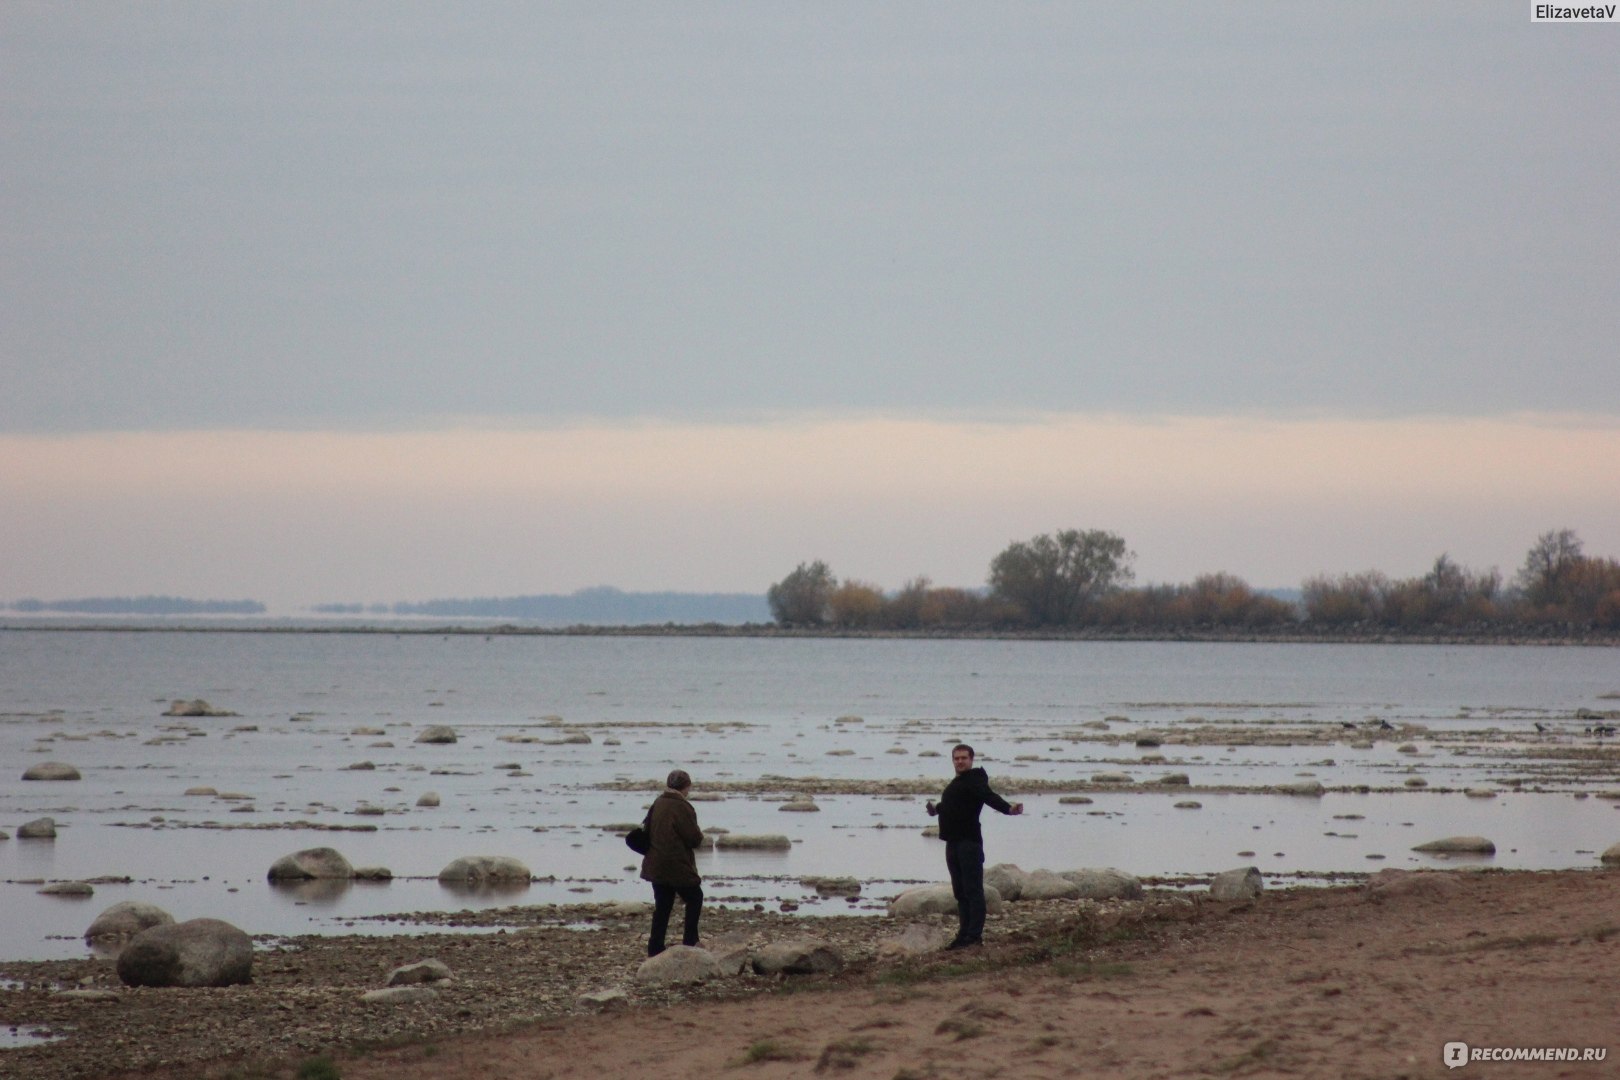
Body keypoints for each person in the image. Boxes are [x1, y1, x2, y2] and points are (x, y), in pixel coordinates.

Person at [926, 743, 1023, 949]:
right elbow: (954, 806)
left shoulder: (975, 779)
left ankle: (974, 937)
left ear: (971, 760)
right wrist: (936, 809)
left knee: (973, 890)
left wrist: (1009, 809)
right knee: (960, 892)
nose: (960, 761)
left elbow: (989, 797)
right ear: (952, 760)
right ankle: (963, 935)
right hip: (952, 842)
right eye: (956, 758)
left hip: (968, 843)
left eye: (964, 758)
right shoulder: (959, 783)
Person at [640, 767, 705, 956]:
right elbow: (694, 838)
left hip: (655, 863)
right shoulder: (683, 807)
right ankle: (690, 940)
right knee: (695, 897)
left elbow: (647, 828)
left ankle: (655, 947)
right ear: (686, 787)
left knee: (663, 905)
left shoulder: (658, 803)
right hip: (676, 864)